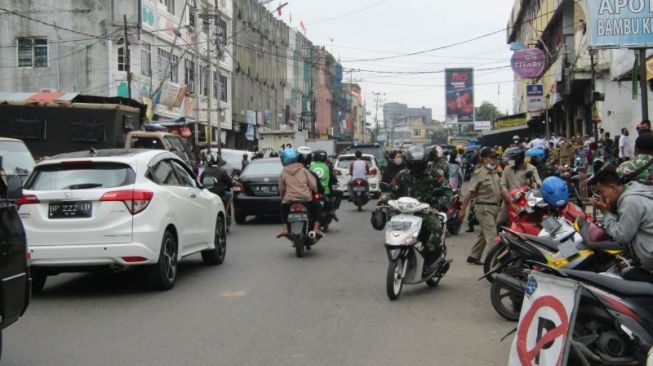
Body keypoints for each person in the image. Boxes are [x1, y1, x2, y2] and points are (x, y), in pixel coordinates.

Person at [382, 145, 449, 273]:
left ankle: (431, 259)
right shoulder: (403, 174)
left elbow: (446, 189)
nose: (415, 166)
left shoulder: (434, 173)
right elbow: (391, 189)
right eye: (413, 163)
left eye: (418, 163)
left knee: (436, 226)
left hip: (426, 211)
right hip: (403, 211)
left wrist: (440, 204)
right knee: (390, 227)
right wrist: (385, 198)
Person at [590, 165, 653, 271]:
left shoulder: (630, 201)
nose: (600, 197)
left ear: (613, 188)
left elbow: (621, 237)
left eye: (601, 192)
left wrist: (605, 213)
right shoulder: (635, 192)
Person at [459, 147, 514, 265]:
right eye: (491, 158)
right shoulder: (479, 173)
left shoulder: (495, 173)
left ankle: (474, 256)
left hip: (494, 208)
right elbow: (470, 193)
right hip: (483, 208)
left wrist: (512, 204)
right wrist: (463, 210)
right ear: (483, 159)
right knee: (492, 236)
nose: (494, 160)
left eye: (495, 158)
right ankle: (498, 263)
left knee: (484, 234)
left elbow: (502, 191)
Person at [277, 149, 322, 238]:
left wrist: (283, 198)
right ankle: (316, 228)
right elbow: (313, 185)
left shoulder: (283, 172)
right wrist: (315, 190)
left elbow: (282, 189)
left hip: (289, 200)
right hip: (306, 199)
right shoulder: (303, 170)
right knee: (318, 207)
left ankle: (285, 229)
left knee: (282, 209)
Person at [498, 147, 541, 225]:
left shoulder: (531, 168)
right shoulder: (507, 169)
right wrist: (507, 194)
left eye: (510, 160)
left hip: (527, 200)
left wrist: (536, 184)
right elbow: (503, 184)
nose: (508, 162)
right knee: (500, 221)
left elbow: (538, 182)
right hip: (510, 199)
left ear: (518, 159)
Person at [310, 150, 339, 222]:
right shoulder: (328, 167)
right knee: (340, 194)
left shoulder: (310, 166)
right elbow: (333, 179)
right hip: (326, 192)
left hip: (312, 191)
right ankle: (333, 211)